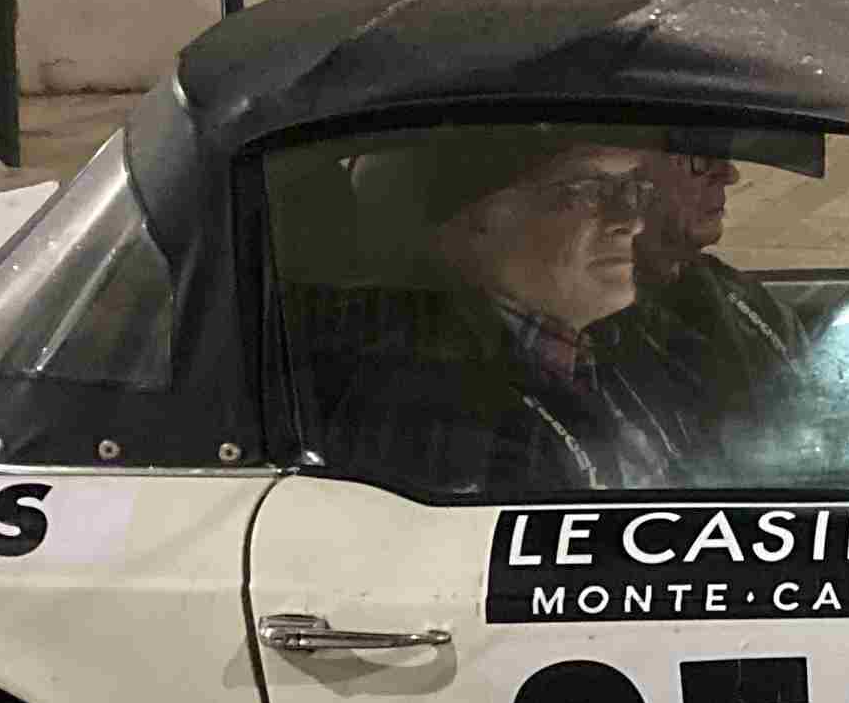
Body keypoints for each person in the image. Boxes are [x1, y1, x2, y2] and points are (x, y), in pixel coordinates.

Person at [295, 129, 693, 494]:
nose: (632, 221)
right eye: (589, 190)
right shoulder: (435, 410)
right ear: (476, 219)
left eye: (632, 189)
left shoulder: (614, 347)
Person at [599, 133, 809, 439]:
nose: (730, 174)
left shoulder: (740, 298)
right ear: (622, 172)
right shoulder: (587, 338)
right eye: (698, 156)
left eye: (722, 155)